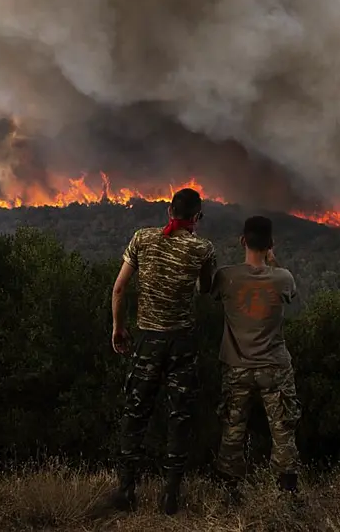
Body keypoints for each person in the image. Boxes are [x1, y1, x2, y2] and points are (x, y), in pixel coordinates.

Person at [109, 187, 216, 515]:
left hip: (147, 340)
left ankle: (127, 492)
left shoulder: (142, 238)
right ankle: (170, 495)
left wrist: (118, 327)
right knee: (179, 416)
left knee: (136, 414)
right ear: (196, 217)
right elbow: (207, 289)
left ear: (169, 211)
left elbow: (119, 288)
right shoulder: (202, 248)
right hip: (181, 342)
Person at [211, 215, 302, 502]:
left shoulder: (226, 276)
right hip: (274, 367)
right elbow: (292, 297)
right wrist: (273, 263)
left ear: (242, 240)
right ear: (271, 244)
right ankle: (287, 493)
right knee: (283, 428)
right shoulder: (283, 277)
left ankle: (229, 491)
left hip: (237, 366)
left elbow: (208, 292)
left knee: (232, 429)